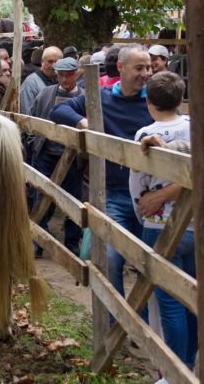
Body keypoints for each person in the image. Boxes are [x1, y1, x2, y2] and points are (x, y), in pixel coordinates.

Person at [51, 44, 153, 300]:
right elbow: (59, 110)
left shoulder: (155, 99)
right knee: (109, 260)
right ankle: (114, 326)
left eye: (149, 67)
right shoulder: (101, 97)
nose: (146, 73)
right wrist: (86, 123)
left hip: (151, 196)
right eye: (140, 67)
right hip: (114, 193)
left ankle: (143, 326)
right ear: (121, 68)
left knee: (151, 267)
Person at [129, 71, 195, 367]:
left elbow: (137, 184)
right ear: (181, 99)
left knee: (169, 303)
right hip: (197, 224)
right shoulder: (197, 129)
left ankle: (174, 367)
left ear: (148, 101)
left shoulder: (145, 135)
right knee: (194, 297)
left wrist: (141, 211)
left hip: (159, 225)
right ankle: (193, 362)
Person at [29, 58, 85, 256]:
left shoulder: (84, 97)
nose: (64, 78)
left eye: (69, 74)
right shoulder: (46, 93)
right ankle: (39, 239)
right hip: (46, 154)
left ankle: (72, 242)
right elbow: (34, 116)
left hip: (73, 160)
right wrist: (34, 141)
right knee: (42, 196)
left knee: (73, 199)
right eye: (61, 74)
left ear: (77, 74)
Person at [20, 46, 61, 114]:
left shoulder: (61, 81)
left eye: (57, 62)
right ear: (42, 62)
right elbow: (27, 114)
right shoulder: (31, 83)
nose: (53, 65)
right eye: (50, 61)